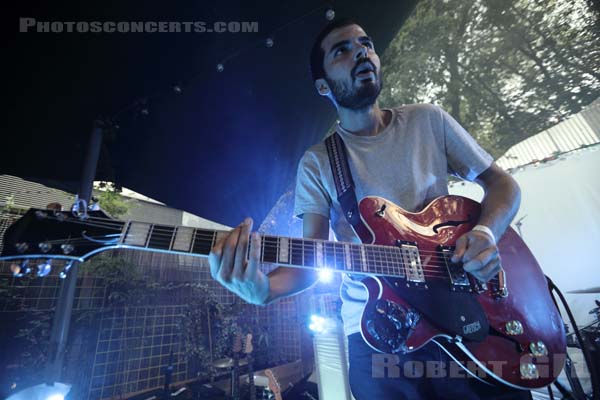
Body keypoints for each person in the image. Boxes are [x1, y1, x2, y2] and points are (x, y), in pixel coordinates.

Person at [209, 19, 528, 399]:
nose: (361, 52)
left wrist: (485, 233)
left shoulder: (428, 120)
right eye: (341, 50)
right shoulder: (318, 162)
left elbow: (502, 184)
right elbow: (312, 257)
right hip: (377, 331)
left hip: (466, 309)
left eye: (366, 44)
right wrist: (262, 290)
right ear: (323, 86)